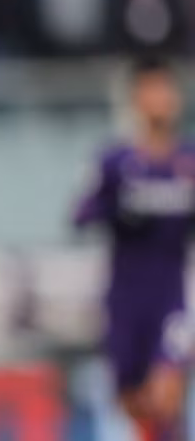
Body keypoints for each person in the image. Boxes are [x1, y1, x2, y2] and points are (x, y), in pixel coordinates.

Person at [74, 56, 195, 441]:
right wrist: (116, 209)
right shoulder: (115, 162)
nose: (160, 98)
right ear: (136, 98)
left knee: (166, 393)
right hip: (125, 300)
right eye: (151, 89)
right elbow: (80, 215)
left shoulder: (189, 161)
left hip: (172, 297)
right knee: (135, 406)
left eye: (166, 89)